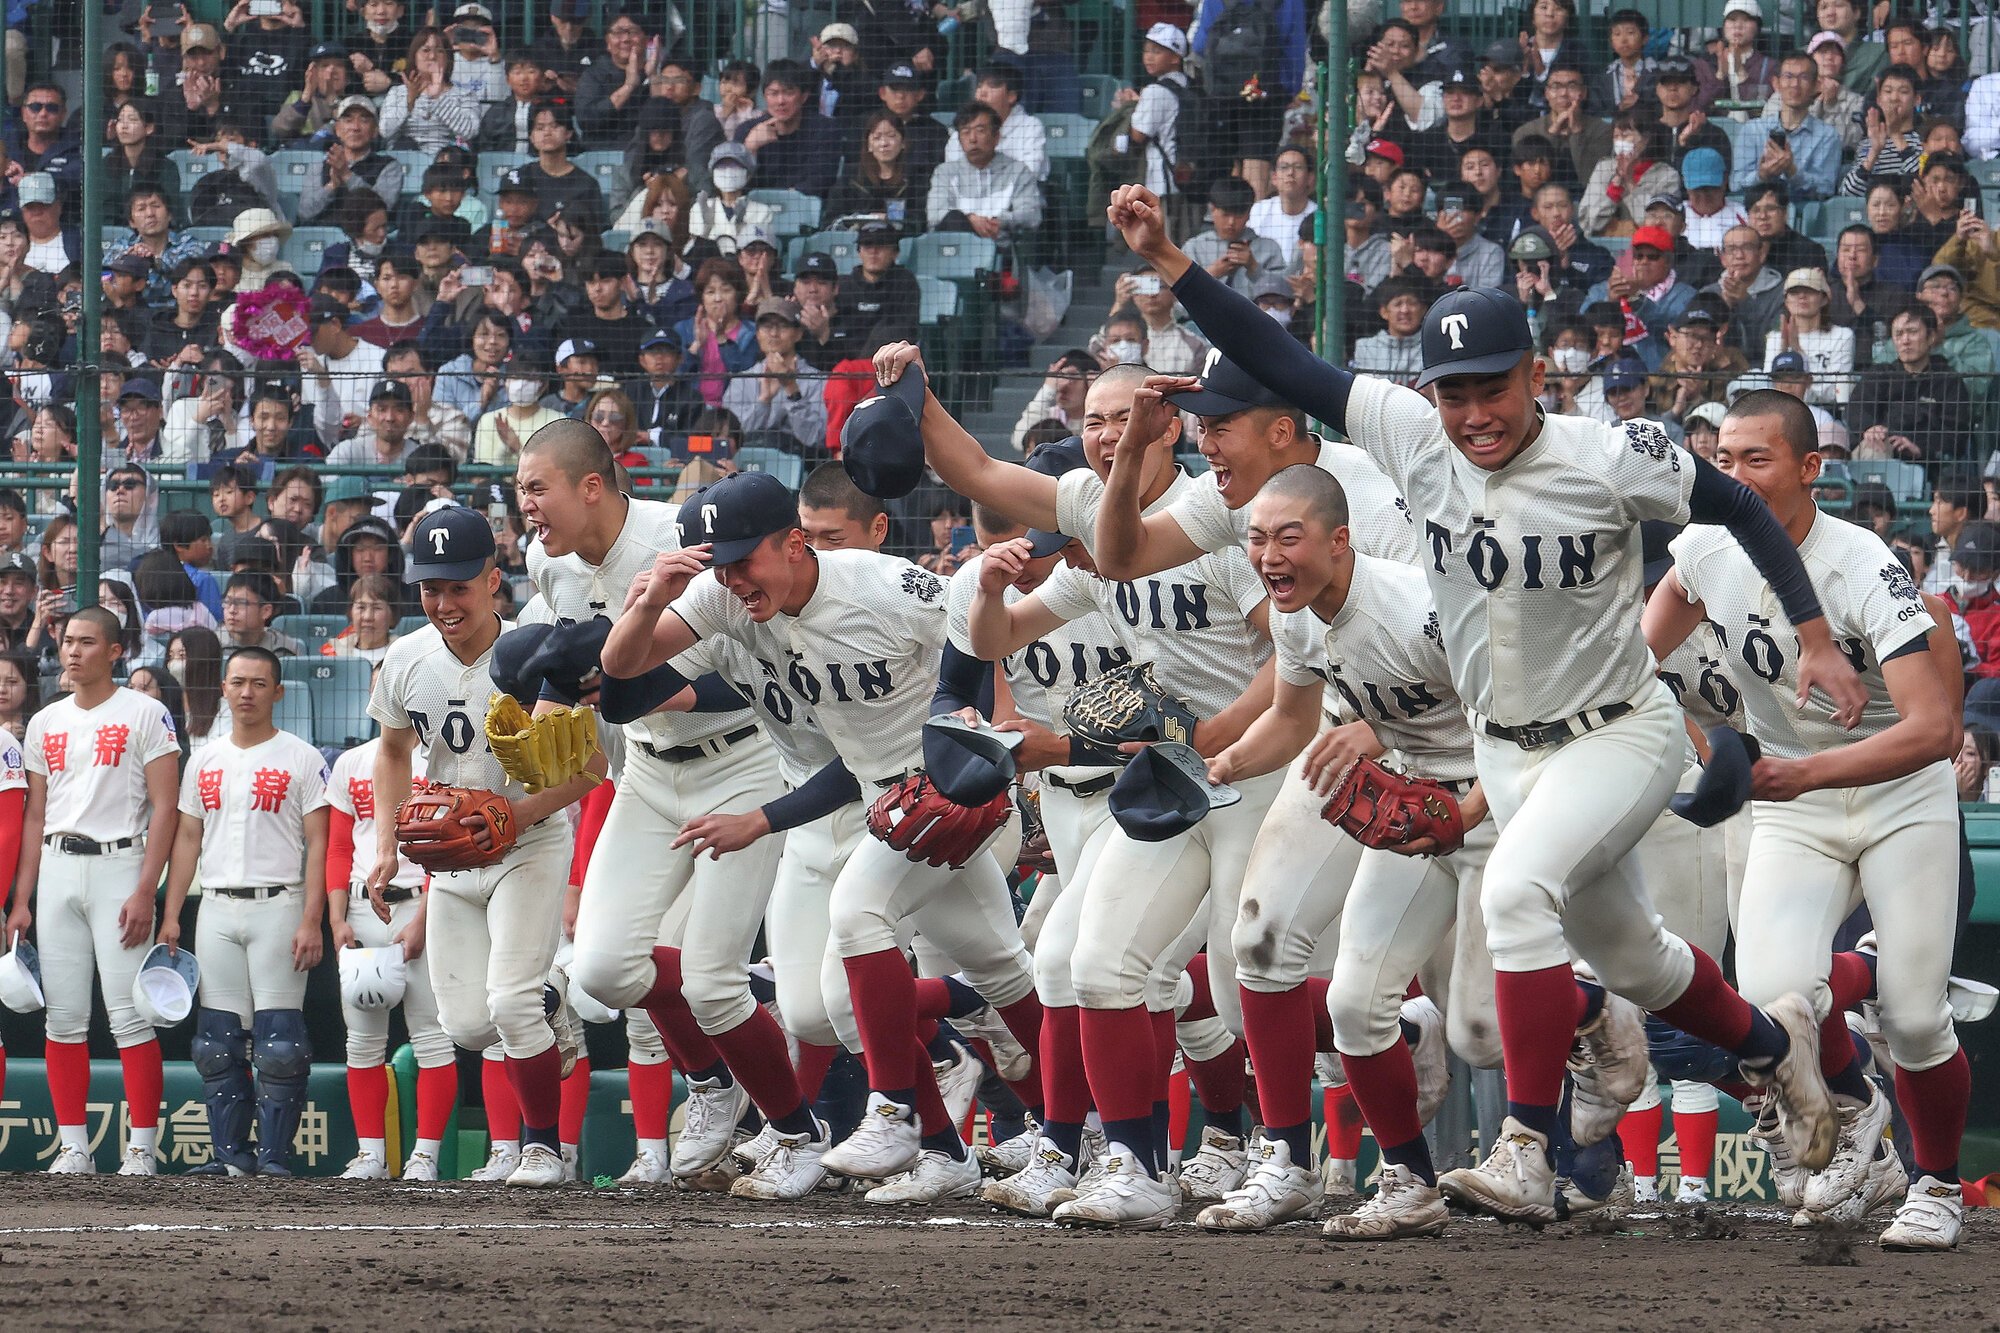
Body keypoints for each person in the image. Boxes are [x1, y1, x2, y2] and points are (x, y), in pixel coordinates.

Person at [1099, 182, 1864, 1224]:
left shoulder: (1606, 454)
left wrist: (1814, 634)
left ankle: (1522, 1147)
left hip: (1614, 733)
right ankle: (1777, 1053)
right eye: (1451, 392)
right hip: (1503, 749)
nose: (1471, 414)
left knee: (1511, 899)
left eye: (1489, 388)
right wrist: (1173, 262)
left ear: (1534, 374)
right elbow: (1279, 359)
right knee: (1634, 959)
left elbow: (1733, 505)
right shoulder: (1413, 438)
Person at [602, 472, 1043, 1205]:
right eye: (720, 564)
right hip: (870, 797)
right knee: (932, 985)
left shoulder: (886, 585)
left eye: (746, 559)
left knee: (858, 929)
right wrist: (651, 599)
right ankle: (1059, 1130)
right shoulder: (722, 601)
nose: (733, 578)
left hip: (939, 790)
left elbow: (975, 632)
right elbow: (620, 684)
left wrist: (991, 748)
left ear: (796, 542)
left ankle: (903, 1113)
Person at [1643, 394, 1967, 1252]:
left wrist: (1792, 770)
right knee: (1771, 1000)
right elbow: (1636, 657)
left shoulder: (1861, 562)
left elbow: (1933, 730)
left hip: (1899, 793)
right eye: (1725, 457)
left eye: (1758, 459)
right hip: (1795, 799)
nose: (1734, 474)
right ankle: (1863, 1123)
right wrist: (1705, 742)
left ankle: (1936, 1185)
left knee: (1917, 1016)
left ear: (1810, 468)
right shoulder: (1706, 547)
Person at [514, 420, 823, 1193]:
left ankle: (796, 1133)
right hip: (650, 770)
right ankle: (716, 1081)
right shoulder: (547, 567)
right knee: (605, 968)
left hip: (744, 757)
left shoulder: (677, 535)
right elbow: (574, 661)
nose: (526, 507)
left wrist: (650, 689)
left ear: (592, 487)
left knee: (712, 983)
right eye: (521, 491)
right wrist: (552, 707)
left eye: (536, 488)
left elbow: (764, 662)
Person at [367, 504, 607, 1187]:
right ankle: (551, 1007)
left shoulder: (540, 649)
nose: (444, 602)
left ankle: (540, 1149)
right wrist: (385, 844)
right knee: (468, 1025)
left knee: (508, 1002)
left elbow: (592, 768)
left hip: (528, 846)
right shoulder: (408, 657)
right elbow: (391, 751)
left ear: (493, 579)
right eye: (429, 587)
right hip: (451, 858)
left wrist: (516, 812)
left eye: (458, 586)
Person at [12, 608, 181, 1175]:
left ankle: (141, 1147)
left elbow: (165, 808)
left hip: (120, 864)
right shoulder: (44, 721)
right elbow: (34, 817)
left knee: (131, 1017)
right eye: (67, 642)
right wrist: (21, 901)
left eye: (87, 642)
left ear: (114, 650)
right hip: (57, 867)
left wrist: (145, 889)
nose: (73, 651)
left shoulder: (145, 712)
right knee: (61, 1020)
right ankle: (73, 1146)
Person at [157, 648, 327, 1177]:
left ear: (278, 692)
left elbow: (320, 842)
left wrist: (311, 919)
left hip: (279, 904)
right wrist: (170, 915)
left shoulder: (301, 757)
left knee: (280, 1044)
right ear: (223, 689)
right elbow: (187, 837)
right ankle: (231, 1159)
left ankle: (275, 1159)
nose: (247, 692)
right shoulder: (204, 758)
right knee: (216, 1043)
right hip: (215, 909)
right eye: (237, 682)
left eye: (259, 683)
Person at [329, 729, 457, 1182]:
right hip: (363, 904)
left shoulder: (441, 759)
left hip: (422, 901)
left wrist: (424, 917)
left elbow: (448, 848)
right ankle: (371, 1155)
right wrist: (336, 917)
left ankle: (425, 1155)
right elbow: (340, 846)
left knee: (432, 1038)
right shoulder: (352, 762)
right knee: (362, 1042)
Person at [926, 102, 1043, 243]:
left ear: (996, 137)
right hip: (956, 249)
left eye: (980, 130)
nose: (972, 139)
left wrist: (999, 222)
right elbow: (934, 215)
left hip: (999, 248)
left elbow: (1032, 215)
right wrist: (969, 220)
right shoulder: (945, 173)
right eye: (965, 132)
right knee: (954, 219)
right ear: (959, 141)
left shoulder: (1018, 171)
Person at [1733, 51, 1841, 201]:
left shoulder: (1827, 135)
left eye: (1803, 77)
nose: (1795, 85)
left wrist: (1793, 171)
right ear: (1776, 84)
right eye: (1788, 77)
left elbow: (1826, 189)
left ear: (1817, 85)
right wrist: (1761, 175)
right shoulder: (1752, 130)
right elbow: (1735, 186)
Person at [720, 299, 824, 453]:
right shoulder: (741, 381)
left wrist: (792, 390)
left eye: (783, 326)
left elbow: (817, 437)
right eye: (767, 326)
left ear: (798, 334)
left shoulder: (818, 381)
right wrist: (763, 401)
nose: (774, 333)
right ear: (757, 334)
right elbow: (731, 438)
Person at [736, 59, 840, 196]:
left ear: (804, 96)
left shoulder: (824, 130)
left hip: (806, 210)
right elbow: (733, 185)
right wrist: (749, 148)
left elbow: (821, 179)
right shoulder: (746, 130)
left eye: (788, 93)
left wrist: (786, 200)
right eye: (773, 93)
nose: (780, 101)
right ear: (764, 96)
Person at [297, 96, 405, 225]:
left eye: (364, 120)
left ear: (375, 130)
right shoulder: (320, 166)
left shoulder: (389, 166)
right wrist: (332, 186)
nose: (355, 127)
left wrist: (347, 176)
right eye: (348, 120)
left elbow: (382, 208)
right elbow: (304, 213)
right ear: (337, 129)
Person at [943, 64, 1049, 183]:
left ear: (1011, 96)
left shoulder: (1030, 127)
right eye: (979, 86)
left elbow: (1029, 173)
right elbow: (953, 174)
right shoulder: (964, 127)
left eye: (992, 86)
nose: (982, 93)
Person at [1765, 268, 1854, 405]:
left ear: (1824, 298)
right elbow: (1767, 389)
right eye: (1794, 292)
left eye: (1810, 291)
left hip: (1825, 414)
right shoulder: (1775, 338)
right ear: (1786, 300)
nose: (1802, 296)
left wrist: (1798, 351)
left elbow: (1835, 393)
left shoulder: (1842, 335)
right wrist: (1782, 352)